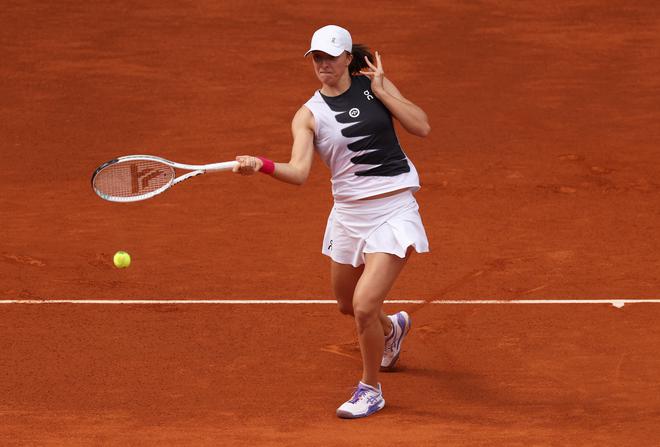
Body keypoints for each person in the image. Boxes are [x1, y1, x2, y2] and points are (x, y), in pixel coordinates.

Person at [233, 24, 430, 419]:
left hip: (393, 211)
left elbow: (421, 125)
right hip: (348, 217)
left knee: (362, 306)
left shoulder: (373, 87)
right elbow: (300, 172)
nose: (321, 64)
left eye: (328, 56)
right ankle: (391, 330)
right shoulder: (309, 115)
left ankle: (370, 389)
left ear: (346, 58)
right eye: (316, 58)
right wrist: (263, 166)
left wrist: (385, 87)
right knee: (346, 305)